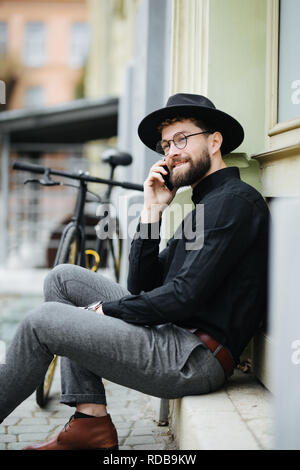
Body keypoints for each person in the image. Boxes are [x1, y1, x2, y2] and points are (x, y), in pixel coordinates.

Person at [0, 93, 269, 450]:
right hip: (172, 332)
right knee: (63, 278)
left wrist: (105, 310)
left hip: (193, 356)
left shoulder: (232, 203)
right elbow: (143, 286)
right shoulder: (205, 205)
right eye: (166, 144)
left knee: (43, 321)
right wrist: (152, 211)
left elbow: (182, 298)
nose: (171, 152)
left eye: (182, 139)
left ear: (215, 141)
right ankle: (89, 419)